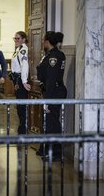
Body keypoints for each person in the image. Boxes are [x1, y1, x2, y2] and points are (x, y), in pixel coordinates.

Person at [35, 31, 67, 160]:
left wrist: (47, 100)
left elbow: (51, 80)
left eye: (43, 40)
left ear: (48, 41)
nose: (42, 42)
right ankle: (45, 149)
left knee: (52, 123)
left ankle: (55, 153)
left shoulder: (54, 57)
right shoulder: (52, 54)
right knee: (49, 122)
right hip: (52, 91)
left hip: (54, 92)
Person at [10, 31, 31, 134]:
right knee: (19, 106)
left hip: (20, 80)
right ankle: (21, 129)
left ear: (24, 39)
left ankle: (23, 131)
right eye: (15, 38)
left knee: (21, 106)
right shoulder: (18, 49)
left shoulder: (23, 50)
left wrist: (24, 81)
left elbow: (24, 65)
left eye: (18, 38)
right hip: (16, 79)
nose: (16, 40)